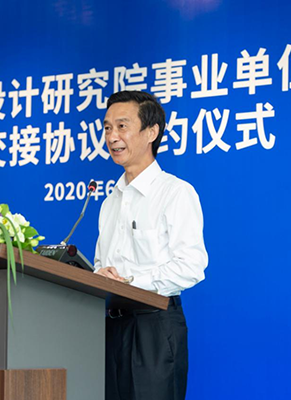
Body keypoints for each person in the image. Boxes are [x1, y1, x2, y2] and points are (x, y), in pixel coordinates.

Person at [94, 90, 208, 400]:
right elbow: (102, 265)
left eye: (122, 126)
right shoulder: (109, 202)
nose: (112, 137)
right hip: (110, 328)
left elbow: (191, 266)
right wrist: (100, 276)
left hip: (154, 326)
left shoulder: (175, 193)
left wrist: (130, 283)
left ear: (151, 132)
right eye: (107, 127)